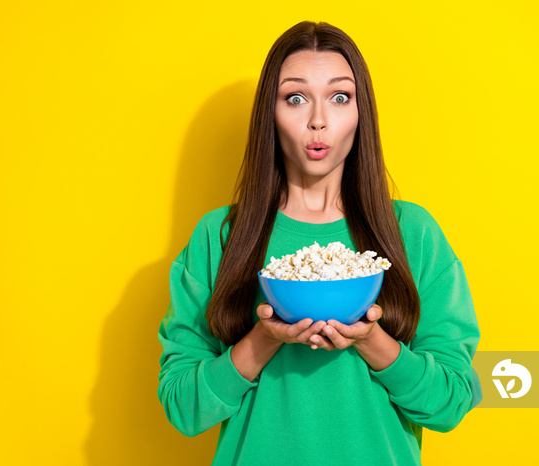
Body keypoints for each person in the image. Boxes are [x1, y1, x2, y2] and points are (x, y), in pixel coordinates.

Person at [158, 21, 482, 465]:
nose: (318, 120)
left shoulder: (413, 233)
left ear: (361, 112)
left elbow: (452, 403)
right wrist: (264, 339)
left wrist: (371, 341)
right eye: (295, 98)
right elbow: (183, 408)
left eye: (339, 97)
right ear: (269, 114)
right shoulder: (220, 237)